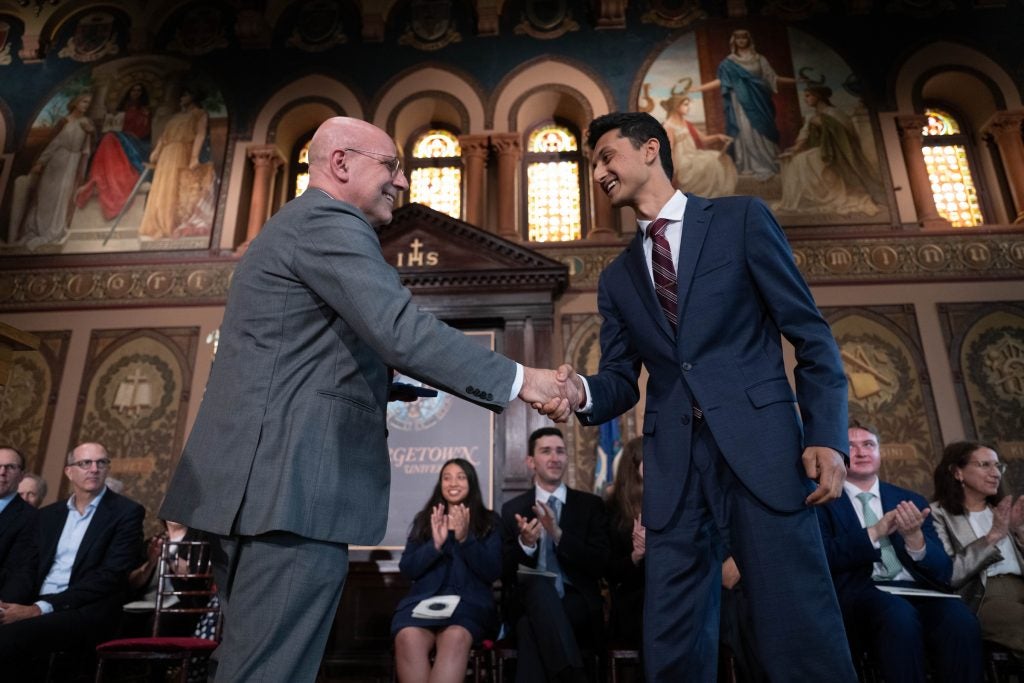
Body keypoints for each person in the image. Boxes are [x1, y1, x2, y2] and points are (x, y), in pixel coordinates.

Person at [158, 116, 573, 682]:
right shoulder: (329, 221)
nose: (402, 183)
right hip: (290, 491)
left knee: (255, 666)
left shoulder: (297, 228)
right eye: (391, 167)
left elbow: (303, 358)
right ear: (341, 163)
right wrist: (524, 380)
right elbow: (400, 330)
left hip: (267, 489)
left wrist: (386, 385)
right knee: (268, 673)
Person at [557, 111, 854, 682]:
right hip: (673, 471)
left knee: (797, 627)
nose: (597, 173)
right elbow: (622, 378)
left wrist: (825, 434)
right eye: (592, 164)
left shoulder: (741, 219)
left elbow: (810, 333)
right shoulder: (617, 278)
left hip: (762, 452)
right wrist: (580, 392)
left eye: (604, 157)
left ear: (649, 150)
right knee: (672, 640)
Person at [816, 421, 983, 683]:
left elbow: (943, 571)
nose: (861, 452)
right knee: (897, 615)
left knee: (959, 619)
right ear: (837, 454)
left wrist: (915, 539)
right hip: (859, 593)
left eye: (869, 445)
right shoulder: (821, 500)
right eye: (851, 446)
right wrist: (875, 532)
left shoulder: (911, 499)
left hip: (915, 590)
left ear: (879, 452)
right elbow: (822, 557)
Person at [0, 442, 145, 680]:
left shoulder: (126, 512)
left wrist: (40, 608)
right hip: (37, 602)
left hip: (85, 608)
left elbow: (110, 575)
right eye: (85, 463)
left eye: (101, 463)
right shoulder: (48, 515)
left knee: (8, 639)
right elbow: (27, 569)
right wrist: (6, 605)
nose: (94, 469)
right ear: (69, 471)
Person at [500, 427, 609, 683]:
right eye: (546, 451)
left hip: (576, 603)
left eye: (560, 451)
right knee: (537, 585)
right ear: (530, 462)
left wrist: (558, 534)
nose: (554, 458)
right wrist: (526, 544)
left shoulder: (590, 506)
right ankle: (574, 675)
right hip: (526, 602)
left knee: (530, 627)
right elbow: (504, 572)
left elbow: (601, 564)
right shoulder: (512, 510)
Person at [392, 459, 501, 683]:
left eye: (461, 477)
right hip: (424, 603)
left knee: (454, 637)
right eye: (447, 477)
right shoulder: (425, 520)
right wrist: (434, 546)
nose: (453, 482)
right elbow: (408, 569)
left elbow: (492, 571)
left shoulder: (489, 521)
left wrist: (465, 540)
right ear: (440, 483)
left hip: (469, 605)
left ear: (471, 482)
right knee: (407, 637)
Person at [930, 441, 1024, 659]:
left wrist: (1019, 531)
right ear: (957, 472)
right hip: (982, 597)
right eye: (985, 465)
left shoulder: (1003, 511)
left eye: (998, 466)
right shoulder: (937, 514)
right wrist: (993, 536)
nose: (995, 474)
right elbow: (949, 573)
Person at [694, 29, 796, 180]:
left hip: (760, 102)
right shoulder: (729, 63)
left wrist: (797, 81)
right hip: (740, 103)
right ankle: (748, 165)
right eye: (738, 38)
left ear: (749, 40)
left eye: (744, 38)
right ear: (734, 41)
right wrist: (696, 88)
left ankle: (767, 163)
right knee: (746, 130)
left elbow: (773, 77)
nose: (741, 41)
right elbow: (721, 81)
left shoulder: (759, 59)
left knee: (764, 130)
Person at [774, 85, 884, 216]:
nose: (805, 99)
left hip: (837, 151)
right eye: (805, 96)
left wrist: (825, 124)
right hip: (821, 149)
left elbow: (848, 137)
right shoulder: (810, 116)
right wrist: (793, 150)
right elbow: (803, 137)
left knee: (805, 159)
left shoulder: (835, 113)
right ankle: (814, 197)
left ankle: (828, 194)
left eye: (808, 95)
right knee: (797, 159)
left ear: (818, 96)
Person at [19, 92, 95, 250]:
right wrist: (41, 161)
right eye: (84, 102)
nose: (86, 105)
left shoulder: (87, 123)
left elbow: (88, 148)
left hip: (72, 163)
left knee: (63, 195)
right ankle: (37, 229)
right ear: (75, 103)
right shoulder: (64, 121)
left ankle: (53, 231)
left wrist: (91, 132)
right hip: (56, 161)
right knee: (47, 195)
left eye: (88, 103)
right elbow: (52, 143)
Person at [138, 86, 213, 238]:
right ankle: (157, 221)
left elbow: (200, 135)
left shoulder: (199, 114)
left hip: (182, 150)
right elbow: (164, 136)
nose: (181, 98)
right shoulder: (176, 116)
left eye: (185, 94)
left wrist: (194, 157)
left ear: (193, 96)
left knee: (174, 185)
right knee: (162, 185)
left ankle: (170, 222)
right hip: (167, 152)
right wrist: (157, 150)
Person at [75, 81, 153, 220]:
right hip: (119, 137)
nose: (136, 93)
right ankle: (100, 174)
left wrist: (144, 118)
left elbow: (144, 132)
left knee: (109, 138)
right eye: (133, 90)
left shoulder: (144, 111)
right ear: (128, 92)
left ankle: (100, 176)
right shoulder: (120, 109)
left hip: (136, 142)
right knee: (108, 138)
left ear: (142, 94)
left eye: (139, 90)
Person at [605, 437, 644, 650]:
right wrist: (636, 555)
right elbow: (609, 571)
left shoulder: (674, 505)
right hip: (633, 603)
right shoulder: (612, 512)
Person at [659, 93, 736, 197]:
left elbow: (703, 140)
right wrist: (673, 171)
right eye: (685, 104)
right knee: (711, 161)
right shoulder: (668, 126)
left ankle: (721, 195)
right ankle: (710, 196)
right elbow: (669, 150)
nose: (688, 107)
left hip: (694, 155)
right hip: (682, 161)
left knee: (723, 158)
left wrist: (718, 137)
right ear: (677, 106)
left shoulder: (685, 122)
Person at [0, 446, 39, 604]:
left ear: (21, 475)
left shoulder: (31, 518)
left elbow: (20, 574)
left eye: (10, 467)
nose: (2, 472)